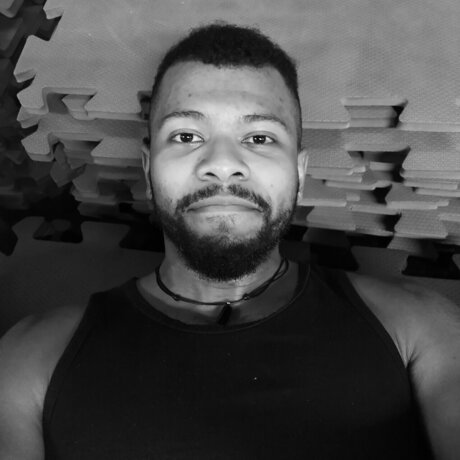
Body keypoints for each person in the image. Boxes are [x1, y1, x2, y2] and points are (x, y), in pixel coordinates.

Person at [1, 22, 459, 460]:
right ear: (148, 167)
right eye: (186, 135)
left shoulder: (421, 330)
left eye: (259, 137)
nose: (222, 164)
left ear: (299, 173)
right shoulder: (29, 359)